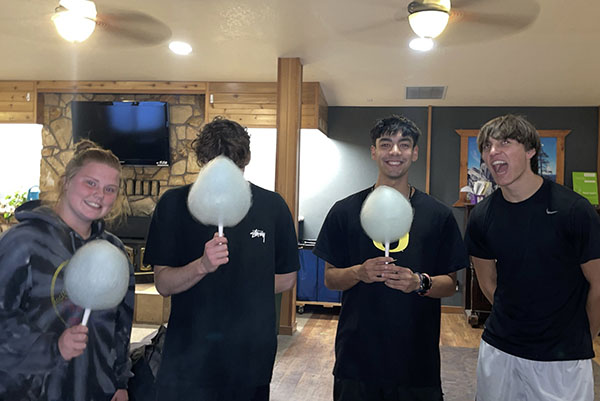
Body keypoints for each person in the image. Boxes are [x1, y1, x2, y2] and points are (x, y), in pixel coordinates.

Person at [143, 116, 300, 401]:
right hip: (187, 356)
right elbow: (163, 283)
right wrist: (202, 266)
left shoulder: (272, 207)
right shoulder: (174, 204)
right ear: (202, 160)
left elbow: (287, 277)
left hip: (250, 355)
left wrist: (240, 281)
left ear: (247, 159)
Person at [313, 115, 469, 401]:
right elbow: (331, 278)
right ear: (373, 151)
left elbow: (450, 284)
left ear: (415, 153)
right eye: (386, 144)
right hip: (357, 361)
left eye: (404, 145)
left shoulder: (439, 216)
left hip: (416, 364)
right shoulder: (344, 211)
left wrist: (419, 282)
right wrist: (359, 272)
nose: (395, 152)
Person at [465, 114, 600, 401]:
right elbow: (488, 282)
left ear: (530, 151)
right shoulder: (481, 217)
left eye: (504, 142)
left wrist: (580, 336)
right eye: (487, 146)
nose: (492, 152)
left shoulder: (574, 211)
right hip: (500, 350)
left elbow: (599, 285)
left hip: (562, 359)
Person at [0, 140, 135, 401]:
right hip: (28, 390)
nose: (99, 195)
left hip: (96, 390)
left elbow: (121, 324)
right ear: (66, 181)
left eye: (110, 189)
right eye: (90, 183)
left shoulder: (114, 251)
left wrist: (119, 380)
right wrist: (53, 347)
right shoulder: (22, 242)